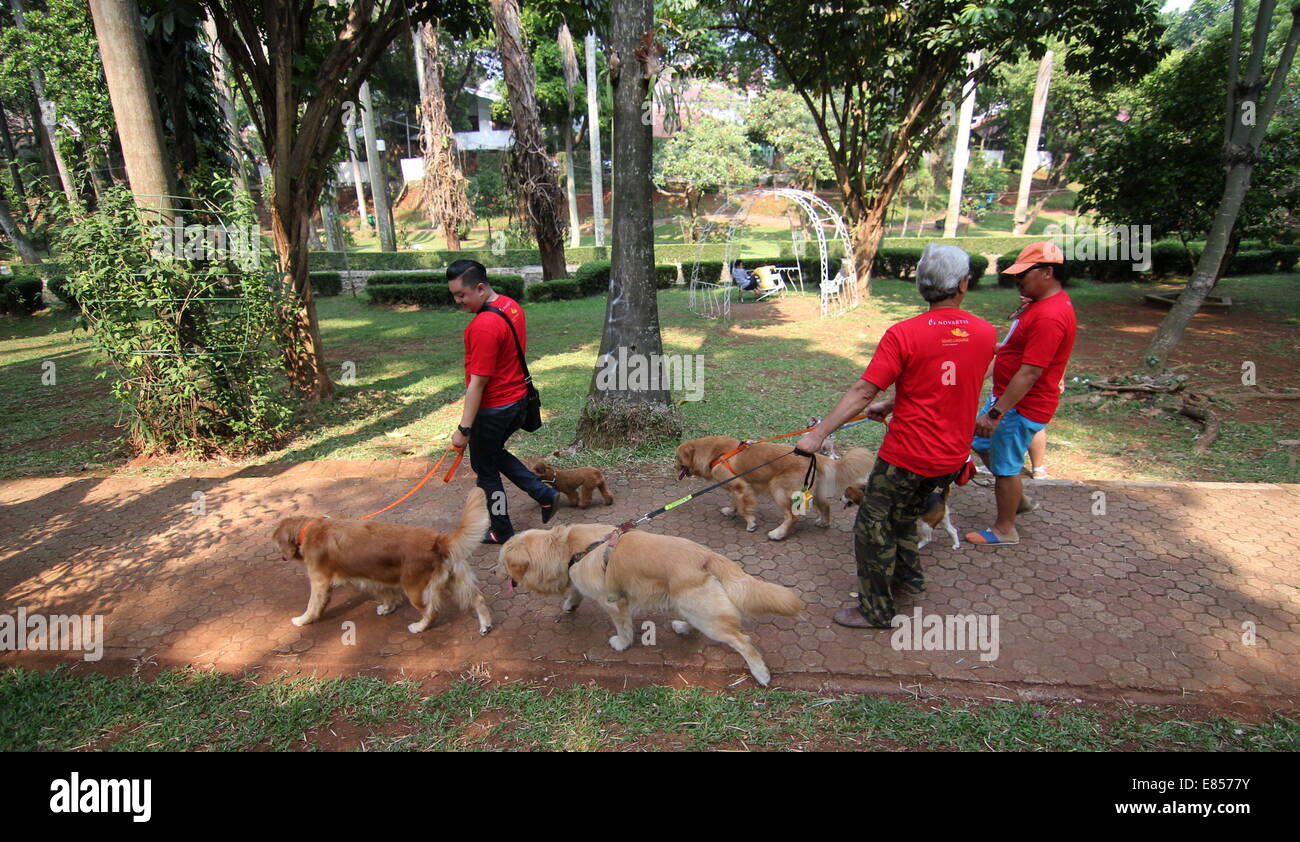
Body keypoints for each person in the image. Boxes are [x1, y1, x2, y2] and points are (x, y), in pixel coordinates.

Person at [797, 244, 997, 628]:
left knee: (871, 524)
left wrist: (818, 434)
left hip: (907, 456)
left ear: (922, 286)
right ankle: (908, 578)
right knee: (905, 514)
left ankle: (875, 609)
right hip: (952, 458)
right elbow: (958, 377)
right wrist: (894, 403)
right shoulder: (986, 332)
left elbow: (862, 392)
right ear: (962, 285)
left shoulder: (903, 334)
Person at [967, 241, 1076, 546]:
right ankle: (1018, 499)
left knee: (1005, 465)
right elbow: (1011, 350)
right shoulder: (1037, 306)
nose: (1017, 280)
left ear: (1047, 273)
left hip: (1020, 405)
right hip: (1007, 398)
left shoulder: (1049, 316)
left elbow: (1030, 372)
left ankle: (1005, 529)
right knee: (980, 442)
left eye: (1023, 275)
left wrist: (996, 413)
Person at [447, 259, 558, 544]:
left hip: (494, 409)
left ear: (481, 287)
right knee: (492, 454)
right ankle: (544, 493)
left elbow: (478, 384)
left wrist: (464, 430)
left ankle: (502, 530)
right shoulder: (510, 305)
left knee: (486, 471)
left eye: (462, 295)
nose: (458, 302)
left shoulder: (482, 326)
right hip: (518, 402)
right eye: (454, 296)